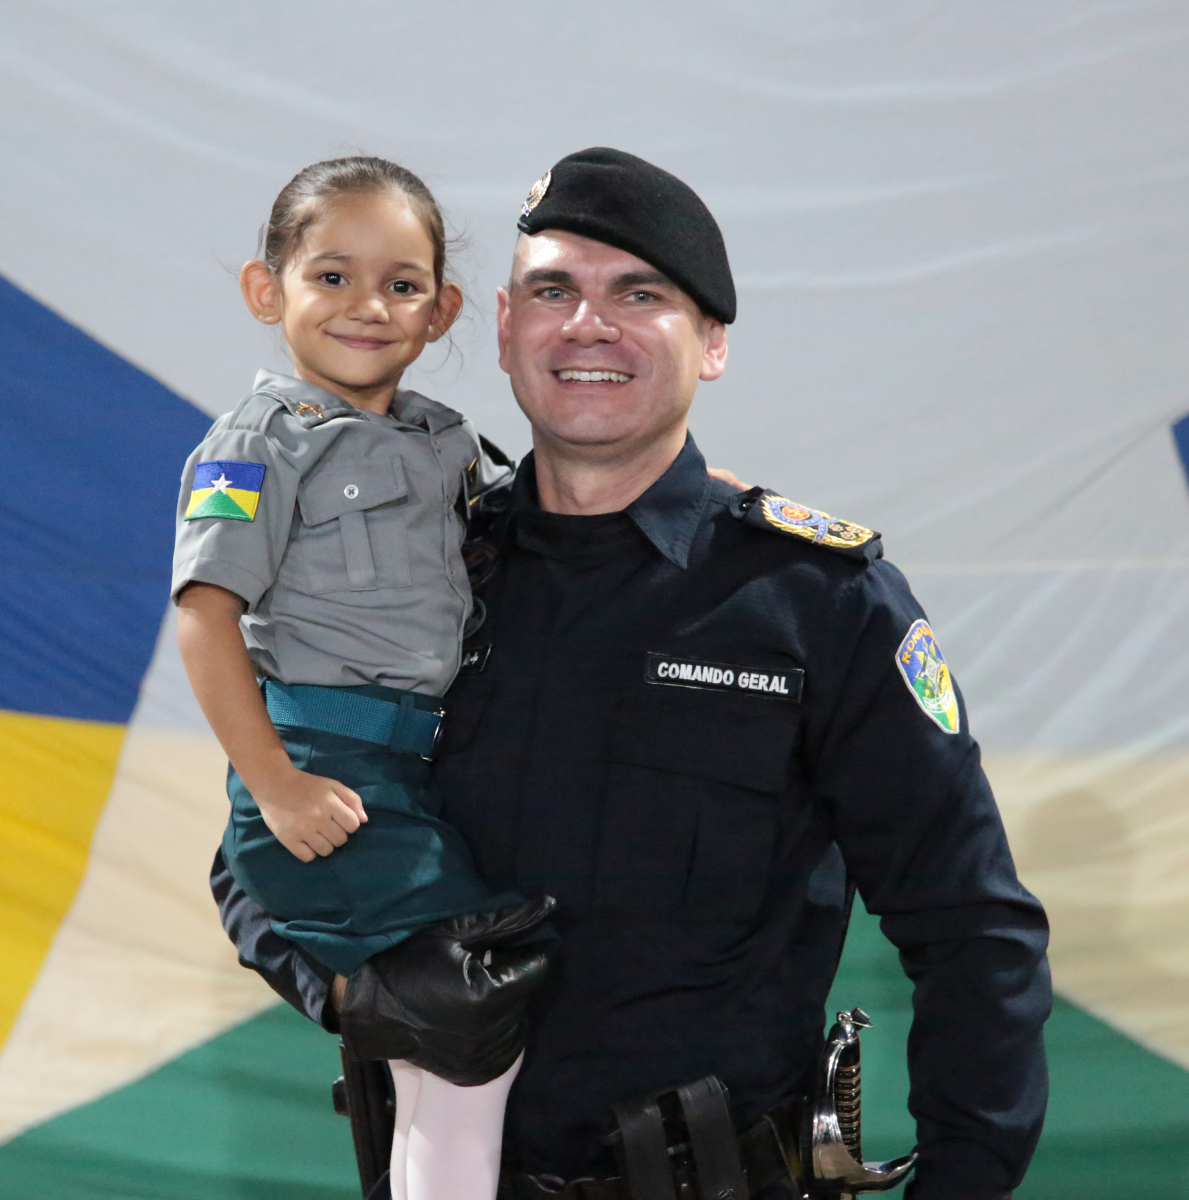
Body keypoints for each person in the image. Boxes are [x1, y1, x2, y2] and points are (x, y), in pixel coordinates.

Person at [214, 147, 1053, 1200]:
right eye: (552, 291)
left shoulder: (816, 601)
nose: (588, 326)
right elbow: (259, 841)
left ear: (712, 344)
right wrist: (356, 991)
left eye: (640, 295)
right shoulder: (414, 572)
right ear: (504, 328)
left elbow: (972, 928)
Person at [172, 157, 555, 1200]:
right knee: (465, 1011)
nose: (367, 306)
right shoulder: (257, 444)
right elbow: (204, 618)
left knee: (444, 1041)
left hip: (413, 770)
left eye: (401, 284)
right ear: (268, 291)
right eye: (331, 276)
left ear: (442, 311)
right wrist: (274, 784)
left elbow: (540, 524)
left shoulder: (442, 442)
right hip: (325, 771)